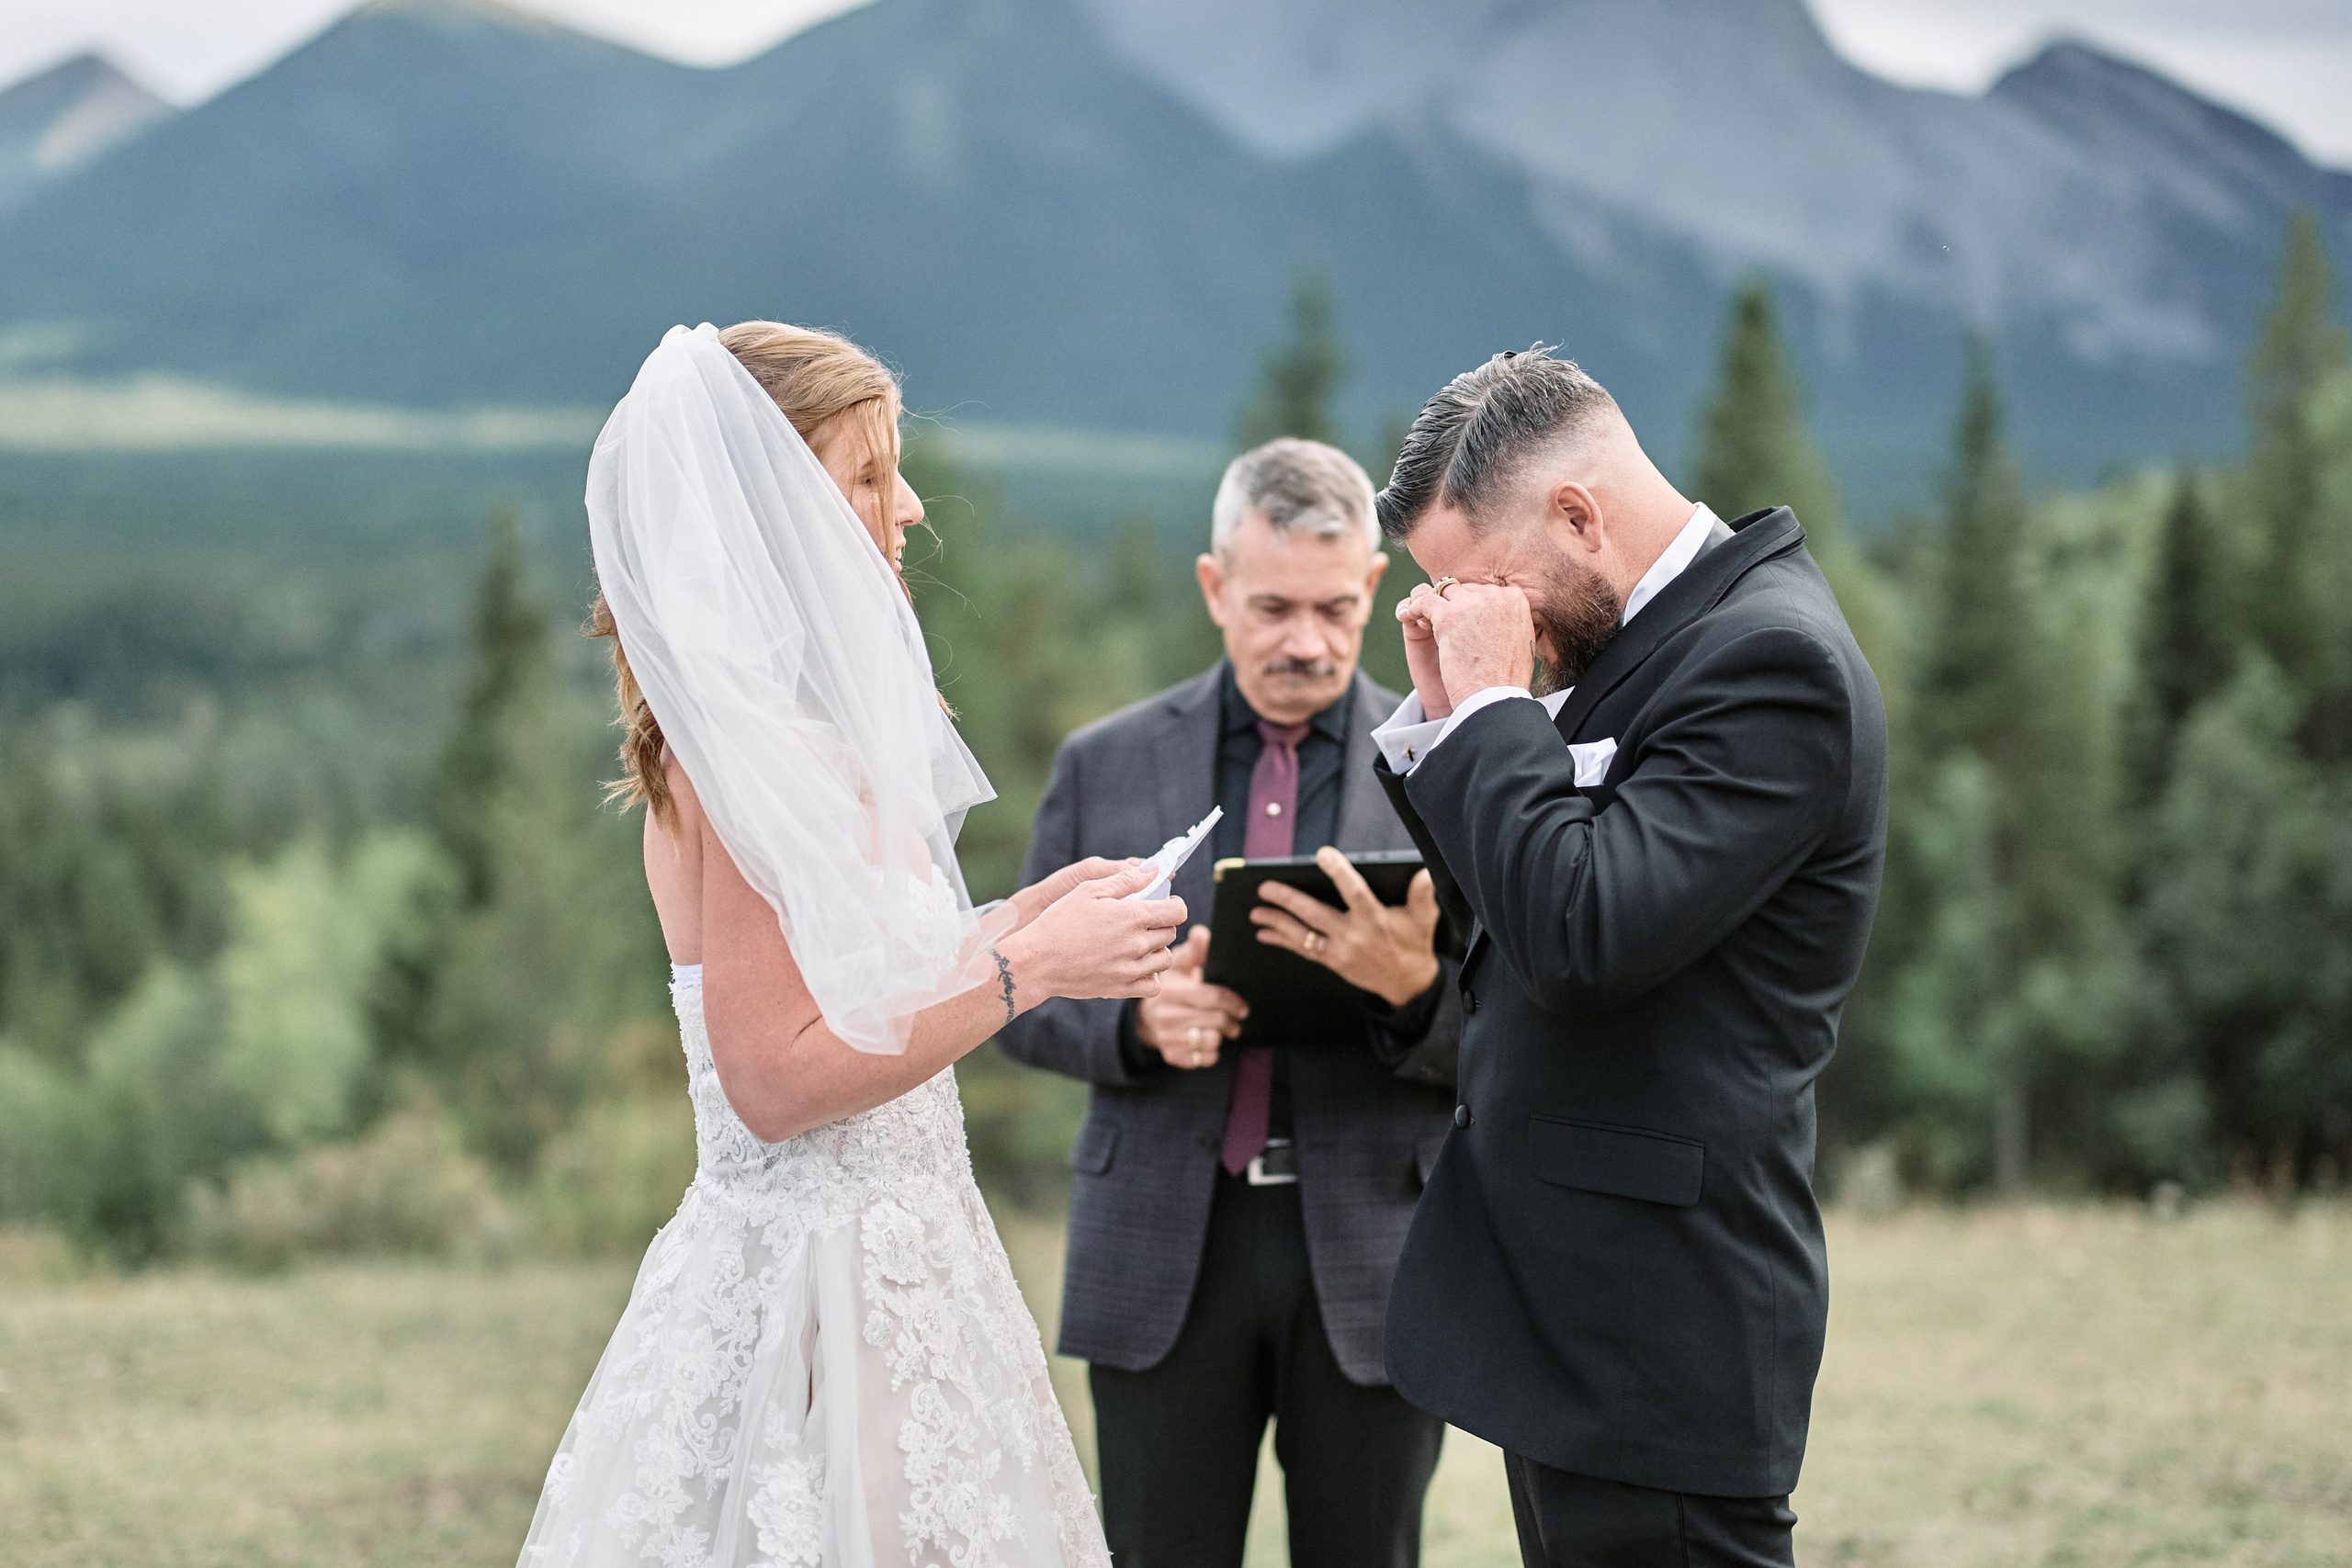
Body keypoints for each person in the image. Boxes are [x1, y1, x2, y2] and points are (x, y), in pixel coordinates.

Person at [516, 321, 1184, 1568]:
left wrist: (1024, 915)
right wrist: (1030, 971)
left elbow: (867, 981)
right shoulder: (746, 760)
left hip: (909, 1262)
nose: (912, 505)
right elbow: (775, 1079)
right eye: (870, 473)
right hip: (810, 1293)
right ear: (776, 507)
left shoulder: (801, 729)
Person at [1367, 349, 1889, 1568]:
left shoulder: (1773, 663)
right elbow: (1505, 920)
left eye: (1483, 583)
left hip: (1663, 1328)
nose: (1473, 616)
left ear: (1579, 516)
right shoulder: (1644, 641)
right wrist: (1454, 713)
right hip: (1571, 1314)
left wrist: (1494, 716)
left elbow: (1584, 933)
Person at [1000, 438, 1463, 1568]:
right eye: (1271, 608)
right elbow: (1016, 994)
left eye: (1334, 608)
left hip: (1374, 1254)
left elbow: (1518, 1020)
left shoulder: (1448, 765)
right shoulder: (1100, 765)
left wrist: (1412, 993)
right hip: (1163, 1244)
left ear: (1371, 592)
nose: (1304, 641)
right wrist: (1134, 1024)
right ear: (1214, 588)